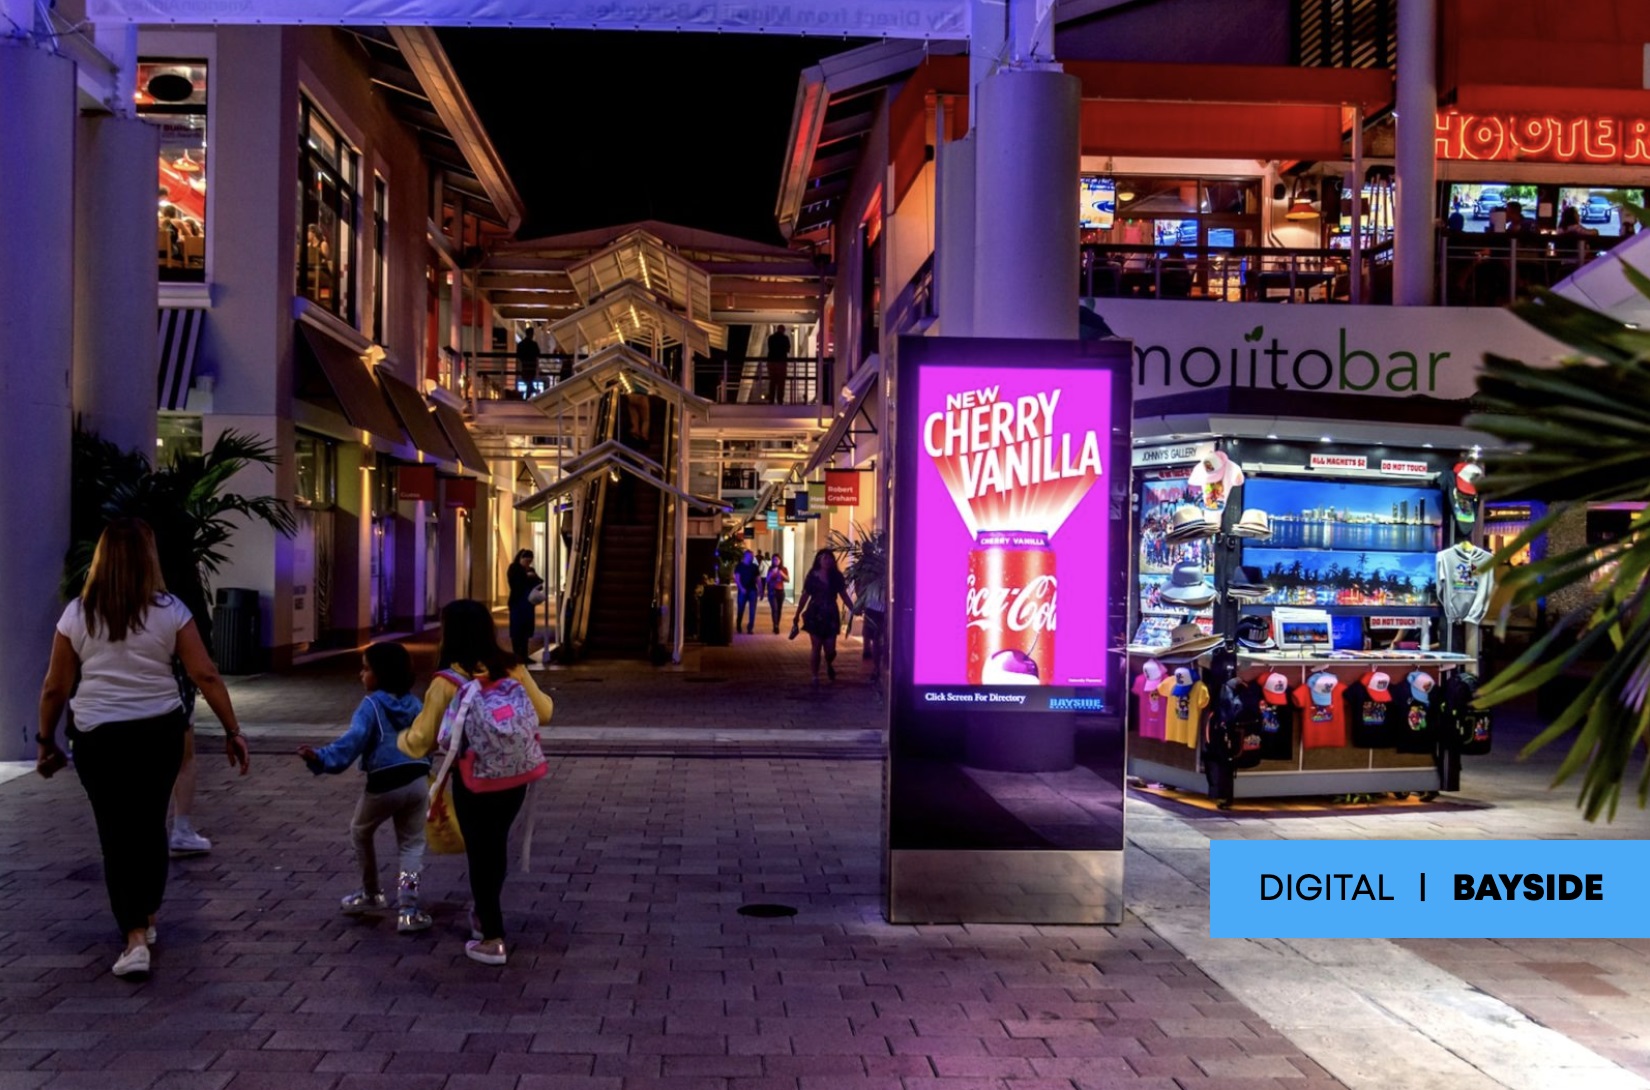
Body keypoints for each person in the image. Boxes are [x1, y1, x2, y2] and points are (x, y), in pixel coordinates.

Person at [34, 518, 250, 979]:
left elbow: (56, 686)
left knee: (116, 832)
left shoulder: (79, 613)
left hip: (99, 737)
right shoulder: (170, 610)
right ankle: (145, 918)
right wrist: (233, 730)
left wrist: (45, 739)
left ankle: (135, 934)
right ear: (148, 558)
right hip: (158, 732)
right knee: (150, 823)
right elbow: (205, 673)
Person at [398, 600, 553, 966]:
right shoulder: (512, 667)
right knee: (494, 847)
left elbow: (421, 739)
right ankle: (484, 916)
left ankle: (492, 937)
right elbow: (544, 712)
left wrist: (398, 740)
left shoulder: (447, 681)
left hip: (473, 781)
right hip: (515, 775)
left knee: (480, 853)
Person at [297, 642, 432, 933]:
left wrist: (321, 758)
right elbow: (429, 738)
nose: (361, 674)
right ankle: (408, 908)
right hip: (418, 781)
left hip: (384, 783)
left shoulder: (371, 705)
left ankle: (371, 893)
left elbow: (353, 741)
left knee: (361, 831)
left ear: (380, 673)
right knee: (411, 845)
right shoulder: (416, 704)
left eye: (366, 668)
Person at [791, 548, 855, 684]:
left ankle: (829, 662)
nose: (827, 560)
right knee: (816, 646)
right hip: (815, 613)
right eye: (824, 558)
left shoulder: (836, 576)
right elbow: (805, 595)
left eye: (829, 558)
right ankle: (815, 675)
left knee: (830, 648)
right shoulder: (812, 576)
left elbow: (843, 594)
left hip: (831, 613)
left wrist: (853, 608)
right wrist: (797, 614)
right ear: (819, 561)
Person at [505, 549, 544, 664]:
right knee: (517, 629)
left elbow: (540, 582)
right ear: (520, 558)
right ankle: (517, 655)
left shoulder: (530, 570)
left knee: (526, 629)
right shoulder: (514, 568)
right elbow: (515, 583)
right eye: (526, 561)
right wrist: (526, 576)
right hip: (517, 602)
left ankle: (524, 655)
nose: (528, 563)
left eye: (530, 561)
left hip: (528, 603)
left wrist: (532, 576)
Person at [857, 578, 886, 685]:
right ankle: (877, 668)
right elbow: (860, 585)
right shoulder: (870, 573)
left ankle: (879, 669)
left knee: (880, 641)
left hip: (884, 609)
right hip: (873, 609)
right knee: (876, 640)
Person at [733, 549, 761, 635]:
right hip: (743, 591)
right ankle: (738, 625)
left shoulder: (754, 567)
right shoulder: (739, 566)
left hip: (753, 590)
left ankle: (750, 628)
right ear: (745, 556)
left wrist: (761, 590)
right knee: (740, 609)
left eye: (752, 556)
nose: (752, 557)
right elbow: (737, 579)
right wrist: (741, 588)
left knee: (752, 610)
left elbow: (758, 579)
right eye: (750, 556)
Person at [765, 324, 791, 404]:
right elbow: (787, 349)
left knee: (772, 381)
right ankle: (780, 400)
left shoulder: (771, 338)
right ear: (783, 330)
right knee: (781, 382)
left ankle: (771, 399)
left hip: (771, 361)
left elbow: (770, 348)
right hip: (781, 361)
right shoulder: (785, 338)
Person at [515, 325, 541, 396]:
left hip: (524, 366)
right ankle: (530, 391)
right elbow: (538, 353)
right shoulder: (534, 344)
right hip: (532, 366)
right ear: (531, 334)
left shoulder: (521, 344)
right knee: (530, 380)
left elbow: (518, 355)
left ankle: (531, 390)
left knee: (528, 380)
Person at [765, 557, 789, 634]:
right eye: (774, 560)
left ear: (780, 560)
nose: (776, 561)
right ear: (772, 561)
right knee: (774, 609)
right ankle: (775, 626)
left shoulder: (784, 569)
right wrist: (771, 574)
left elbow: (788, 580)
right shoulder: (770, 569)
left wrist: (781, 573)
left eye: (778, 560)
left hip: (781, 591)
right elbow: (767, 580)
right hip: (772, 591)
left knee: (779, 609)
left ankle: (777, 624)